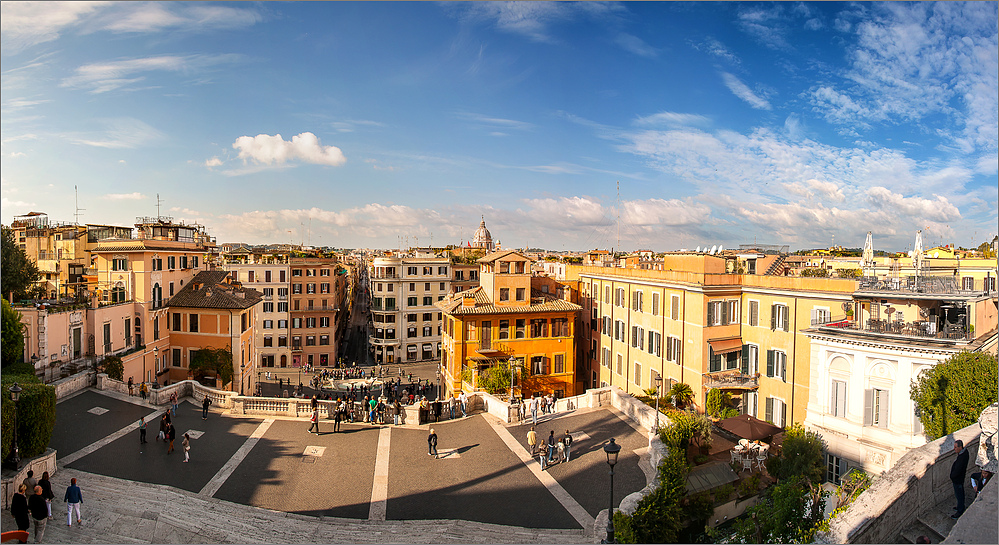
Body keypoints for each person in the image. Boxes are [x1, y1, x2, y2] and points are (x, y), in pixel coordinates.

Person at [951, 438, 970, 519]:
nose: (954, 449)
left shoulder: (962, 457)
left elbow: (958, 469)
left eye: (955, 447)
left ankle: (960, 511)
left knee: (959, 494)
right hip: (959, 478)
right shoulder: (964, 452)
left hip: (958, 479)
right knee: (959, 494)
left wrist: (952, 476)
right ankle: (960, 506)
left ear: (960, 447)